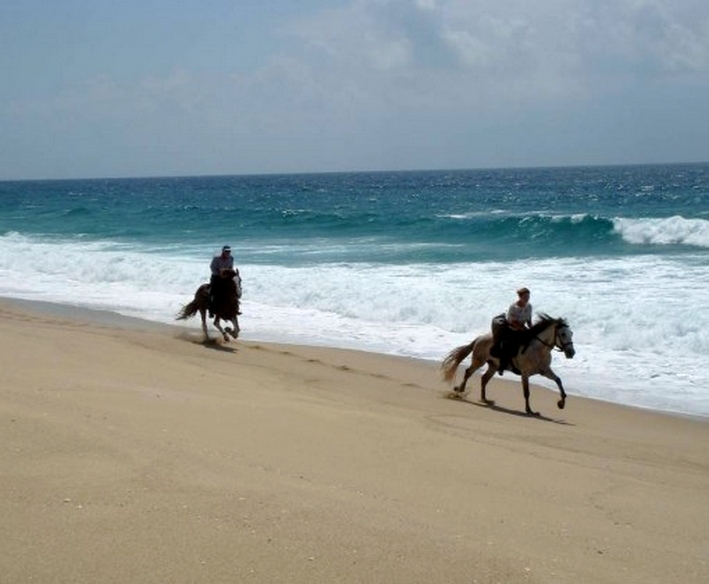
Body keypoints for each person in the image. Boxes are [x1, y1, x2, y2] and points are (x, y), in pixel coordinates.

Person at [491, 287, 533, 375]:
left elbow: (529, 320)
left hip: (522, 329)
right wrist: (523, 328)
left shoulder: (529, 306)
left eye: (528, 296)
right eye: (525, 296)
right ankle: (502, 366)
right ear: (520, 297)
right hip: (511, 329)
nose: (527, 298)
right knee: (507, 345)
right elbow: (512, 322)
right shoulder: (513, 307)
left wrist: (532, 329)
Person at [209, 245, 235, 317]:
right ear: (223, 251)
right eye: (226, 251)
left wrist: (231, 273)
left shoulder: (231, 258)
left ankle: (233, 307)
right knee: (213, 291)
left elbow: (231, 267)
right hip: (216, 276)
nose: (228, 252)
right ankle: (211, 310)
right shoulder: (216, 258)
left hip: (227, 276)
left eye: (229, 251)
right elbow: (212, 267)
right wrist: (219, 274)